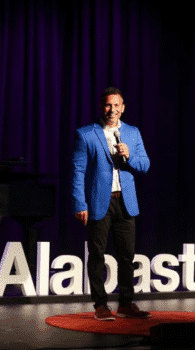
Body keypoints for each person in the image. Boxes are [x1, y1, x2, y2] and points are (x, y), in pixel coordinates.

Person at [71, 87, 151, 321]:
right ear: (101, 107)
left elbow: (145, 165)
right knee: (97, 255)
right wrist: (79, 203)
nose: (112, 110)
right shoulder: (86, 134)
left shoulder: (133, 133)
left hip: (125, 202)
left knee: (127, 255)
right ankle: (100, 305)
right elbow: (78, 171)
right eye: (108, 105)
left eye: (116, 105)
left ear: (123, 108)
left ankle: (126, 304)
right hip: (99, 202)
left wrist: (129, 155)